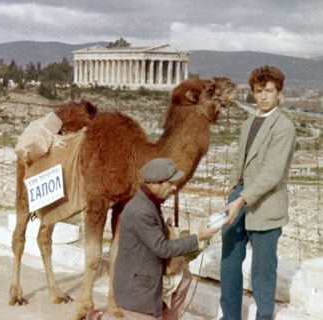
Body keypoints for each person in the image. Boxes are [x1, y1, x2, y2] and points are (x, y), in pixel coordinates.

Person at [87, 157, 222, 320]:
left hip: (147, 275)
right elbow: (162, 248)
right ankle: (101, 318)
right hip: (136, 289)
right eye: (170, 183)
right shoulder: (140, 209)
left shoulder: (150, 202)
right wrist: (199, 237)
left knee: (184, 278)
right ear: (154, 184)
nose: (174, 187)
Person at [219, 65, 297, 320]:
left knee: (263, 271)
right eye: (259, 91)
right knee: (229, 264)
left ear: (280, 93)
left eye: (269, 91)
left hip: (265, 204)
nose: (264, 96)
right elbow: (237, 163)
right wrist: (232, 193)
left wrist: (240, 199)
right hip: (238, 200)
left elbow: (272, 173)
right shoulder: (248, 123)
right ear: (253, 92)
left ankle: (264, 317)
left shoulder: (284, 127)